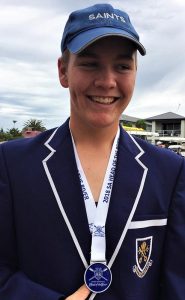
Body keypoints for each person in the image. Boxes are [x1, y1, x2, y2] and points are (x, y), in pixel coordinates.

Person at [0, 3, 185, 300]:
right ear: (63, 71)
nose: (107, 81)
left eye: (123, 66)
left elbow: (177, 284)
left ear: (135, 73)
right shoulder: (12, 163)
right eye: (90, 63)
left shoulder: (170, 171)